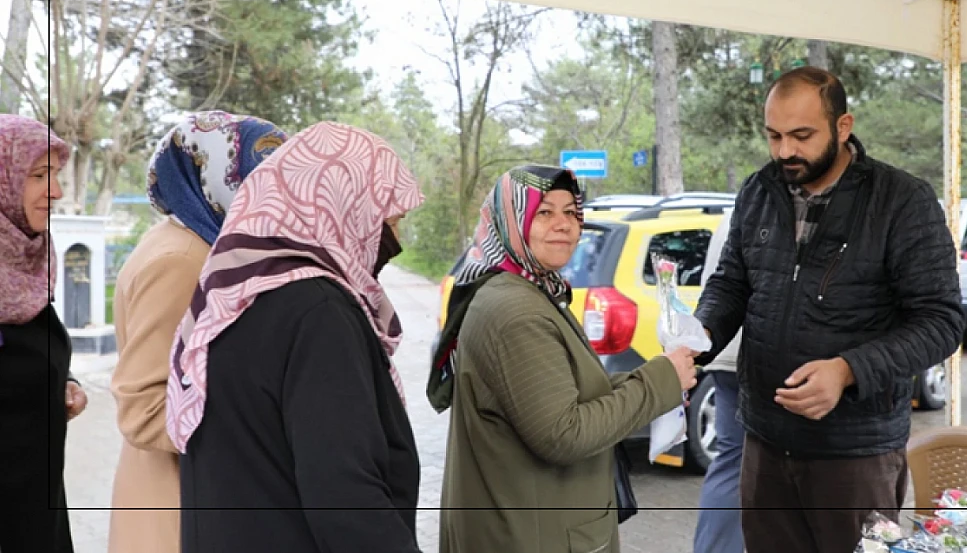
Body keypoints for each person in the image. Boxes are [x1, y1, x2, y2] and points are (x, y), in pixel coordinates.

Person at [694, 66, 963, 553]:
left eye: (801, 135)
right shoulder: (758, 191)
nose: (784, 152)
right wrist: (698, 337)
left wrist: (847, 371)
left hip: (855, 452)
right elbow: (731, 283)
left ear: (843, 126)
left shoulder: (902, 200)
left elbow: (941, 322)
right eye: (773, 135)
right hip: (765, 440)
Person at [166, 121, 425, 553]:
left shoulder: (232, 295)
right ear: (344, 208)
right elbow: (345, 496)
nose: (396, 238)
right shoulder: (318, 312)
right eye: (390, 220)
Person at [431, 164, 699, 553]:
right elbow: (564, 434)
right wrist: (659, 383)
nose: (564, 225)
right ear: (512, 221)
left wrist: (660, 376)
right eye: (544, 212)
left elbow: (566, 395)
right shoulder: (516, 311)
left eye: (571, 212)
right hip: (532, 535)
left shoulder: (527, 289)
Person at [107, 111, 288, 553]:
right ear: (215, 176)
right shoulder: (183, 259)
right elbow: (145, 407)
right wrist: (261, 428)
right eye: (260, 177)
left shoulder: (202, 244)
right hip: (173, 508)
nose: (280, 194)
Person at [0, 114, 88, 553]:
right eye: (38, 176)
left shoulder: (30, 263)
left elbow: (30, 351)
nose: (55, 191)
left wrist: (63, 381)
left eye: (56, 176)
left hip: (38, 509)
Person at [692, 213, 744, 553]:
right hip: (755, 358)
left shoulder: (733, 215)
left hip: (724, 354)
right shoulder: (763, 212)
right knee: (739, 460)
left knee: (731, 458)